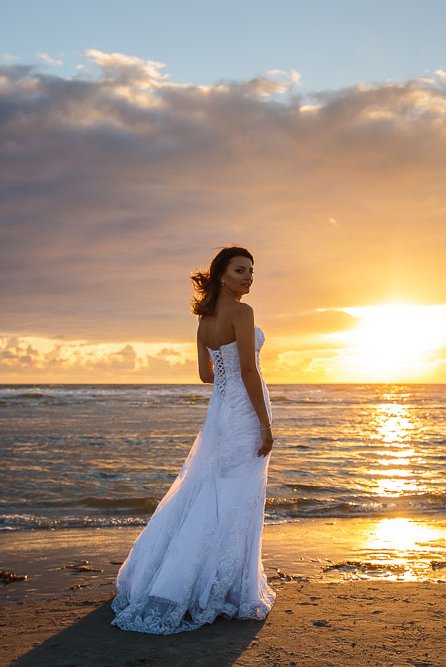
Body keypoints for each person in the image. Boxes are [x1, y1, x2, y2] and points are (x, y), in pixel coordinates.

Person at [110, 245, 276, 634]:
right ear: (221, 275)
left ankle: (174, 579)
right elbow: (250, 372)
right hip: (244, 415)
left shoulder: (205, 321)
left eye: (252, 271)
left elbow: (207, 375)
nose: (249, 277)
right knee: (236, 499)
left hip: (220, 414)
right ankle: (227, 590)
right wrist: (265, 425)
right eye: (241, 270)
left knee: (210, 495)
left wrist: (229, 380)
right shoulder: (243, 312)